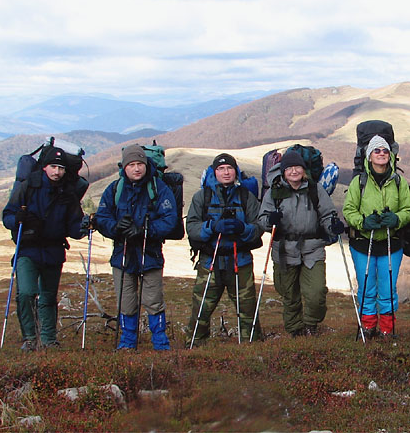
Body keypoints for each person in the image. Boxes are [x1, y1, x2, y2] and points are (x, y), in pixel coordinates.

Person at [2, 145, 87, 350]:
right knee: (26, 293)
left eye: (61, 168)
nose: (57, 172)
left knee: (48, 296)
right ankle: (30, 338)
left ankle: (48, 340)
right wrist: (17, 219)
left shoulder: (68, 193)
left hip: (54, 251)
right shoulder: (28, 187)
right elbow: (7, 216)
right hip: (28, 250)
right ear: (44, 167)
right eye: (53, 167)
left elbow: (73, 225)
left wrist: (85, 227)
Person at [95, 144, 176, 350]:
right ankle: (127, 343)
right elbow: (102, 218)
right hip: (122, 254)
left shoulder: (159, 188)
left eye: (140, 163)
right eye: (132, 164)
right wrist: (116, 227)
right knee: (126, 302)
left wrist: (145, 230)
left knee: (154, 301)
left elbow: (170, 219)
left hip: (150, 254)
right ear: (124, 167)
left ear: (147, 165)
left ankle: (160, 344)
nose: (137, 168)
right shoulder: (115, 189)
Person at [258, 150, 341, 336]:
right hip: (284, 250)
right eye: (289, 168)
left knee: (317, 293)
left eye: (297, 167)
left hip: (312, 248)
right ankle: (296, 331)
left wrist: (332, 226)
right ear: (283, 171)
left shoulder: (315, 189)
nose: (294, 171)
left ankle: (311, 325)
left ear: (304, 169)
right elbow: (262, 220)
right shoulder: (274, 192)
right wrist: (270, 220)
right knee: (289, 294)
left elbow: (327, 214)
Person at [185, 153, 264, 345]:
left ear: (235, 172)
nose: (226, 172)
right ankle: (195, 347)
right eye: (221, 169)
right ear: (214, 172)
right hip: (209, 260)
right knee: (202, 308)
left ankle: (252, 347)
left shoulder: (246, 197)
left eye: (229, 168)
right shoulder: (201, 197)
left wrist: (242, 228)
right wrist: (211, 227)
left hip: (240, 260)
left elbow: (259, 226)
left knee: (247, 308)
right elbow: (192, 227)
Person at [342, 134, 410, 337]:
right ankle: (368, 326)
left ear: (390, 155)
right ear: (369, 156)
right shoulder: (359, 182)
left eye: (384, 150)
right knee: (366, 287)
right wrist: (362, 222)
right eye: (376, 150)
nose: (381, 154)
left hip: (392, 243)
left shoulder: (399, 182)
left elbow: (408, 209)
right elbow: (349, 210)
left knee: (388, 288)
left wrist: (397, 219)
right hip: (363, 243)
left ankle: (387, 329)